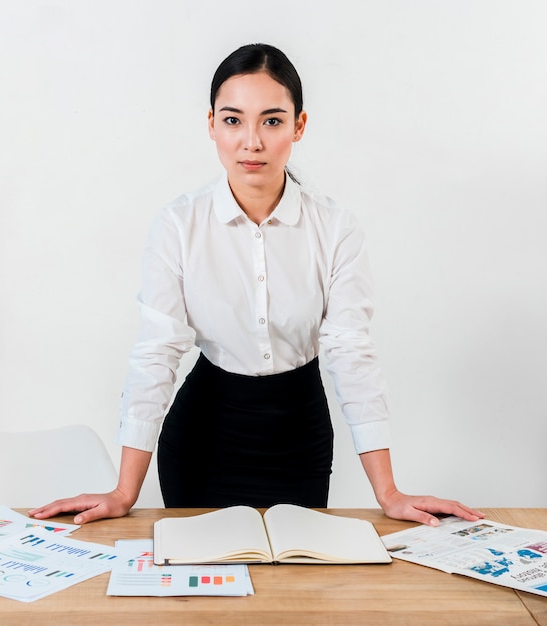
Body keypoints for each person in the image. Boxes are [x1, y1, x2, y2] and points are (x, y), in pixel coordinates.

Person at [30, 43, 483, 527]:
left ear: (298, 126)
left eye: (271, 120)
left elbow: (351, 352)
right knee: (203, 588)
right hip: (203, 437)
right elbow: (157, 352)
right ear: (211, 125)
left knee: (295, 591)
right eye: (232, 120)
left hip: (300, 435)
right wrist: (124, 492)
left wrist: (389, 493)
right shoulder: (179, 224)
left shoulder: (334, 228)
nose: (251, 141)